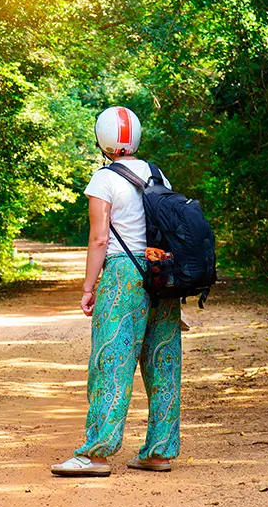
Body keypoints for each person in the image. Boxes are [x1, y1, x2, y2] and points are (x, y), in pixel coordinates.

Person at [51, 106, 182, 477]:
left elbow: (99, 238)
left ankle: (96, 453)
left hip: (123, 275)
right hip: (162, 272)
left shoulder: (103, 179)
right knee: (163, 363)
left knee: (112, 361)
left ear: (102, 140)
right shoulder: (159, 175)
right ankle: (159, 452)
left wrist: (88, 286)